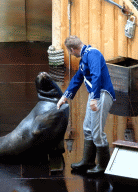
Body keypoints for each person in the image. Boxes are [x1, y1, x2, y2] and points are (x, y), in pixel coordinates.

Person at [57, 36, 115, 174]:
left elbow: (97, 75)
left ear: (72, 49)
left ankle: (103, 166)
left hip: (101, 94)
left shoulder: (93, 53)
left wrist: (94, 98)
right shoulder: (85, 58)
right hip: (95, 95)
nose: (71, 55)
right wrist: (64, 97)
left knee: (97, 132)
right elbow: (77, 79)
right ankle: (88, 161)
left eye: (70, 52)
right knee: (87, 129)